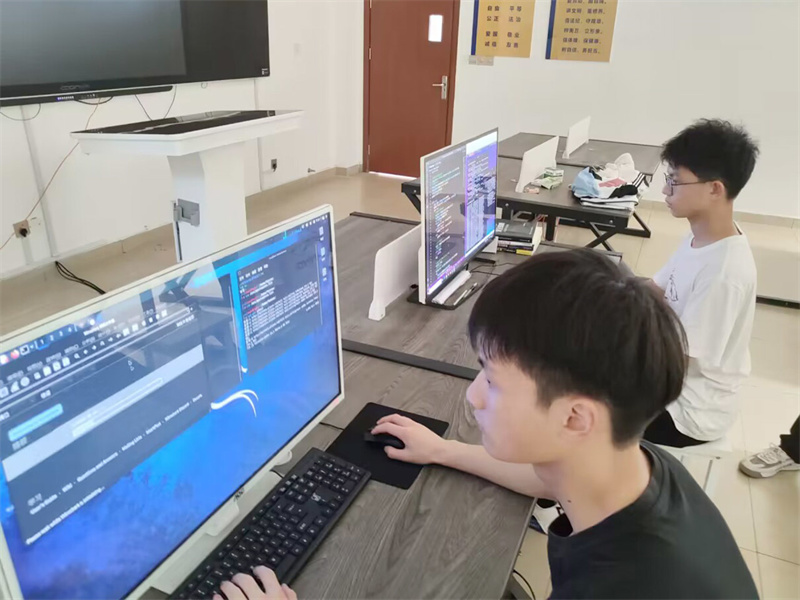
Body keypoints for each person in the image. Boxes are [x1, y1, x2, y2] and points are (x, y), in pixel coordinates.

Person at [371, 250, 757, 599]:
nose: (474, 396)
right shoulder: (637, 465)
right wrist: (442, 450)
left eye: (490, 379)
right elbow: (544, 478)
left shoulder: (620, 585)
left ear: (575, 418)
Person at [645, 119, 759, 447]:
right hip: (673, 381)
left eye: (674, 181)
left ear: (714, 189)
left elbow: (676, 360)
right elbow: (655, 289)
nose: (665, 191)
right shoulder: (702, 238)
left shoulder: (724, 273)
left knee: (576, 402)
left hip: (688, 411)